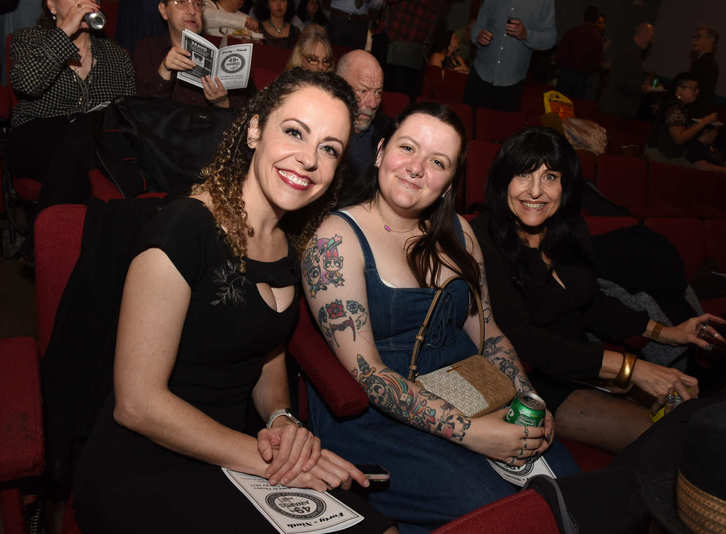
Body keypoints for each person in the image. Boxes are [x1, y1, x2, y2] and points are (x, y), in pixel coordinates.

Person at [73, 68, 397, 534]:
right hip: (147, 460)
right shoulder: (186, 227)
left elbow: (265, 355)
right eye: (295, 132)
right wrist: (272, 463)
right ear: (254, 130)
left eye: (329, 148)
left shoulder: (289, 241)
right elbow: (137, 404)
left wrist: (281, 419)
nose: (309, 159)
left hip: (239, 450)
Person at [297, 103, 586, 533]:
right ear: (380, 151)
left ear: (450, 180)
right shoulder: (334, 241)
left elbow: (489, 336)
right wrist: (473, 432)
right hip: (382, 414)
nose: (416, 168)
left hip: (467, 386)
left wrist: (529, 403)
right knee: (496, 511)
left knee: (567, 487)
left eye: (437, 162)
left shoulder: (460, 232)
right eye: (407, 148)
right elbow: (368, 373)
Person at [471, 127, 726, 453]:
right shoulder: (481, 238)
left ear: (565, 185)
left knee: (692, 413)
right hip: (526, 380)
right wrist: (630, 369)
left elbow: (590, 301)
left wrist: (668, 333)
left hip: (581, 363)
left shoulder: (567, 229)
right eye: (523, 174)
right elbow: (522, 338)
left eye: (550, 177)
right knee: (667, 441)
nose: (536, 191)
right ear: (503, 181)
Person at [8, 0, 135, 208]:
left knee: (90, 136)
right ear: (51, 5)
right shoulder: (29, 39)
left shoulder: (116, 55)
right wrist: (65, 32)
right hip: (36, 138)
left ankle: (54, 224)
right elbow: (27, 84)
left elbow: (127, 114)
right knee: (80, 134)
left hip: (94, 147)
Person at [135, 0, 251, 108]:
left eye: (198, 4)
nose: (192, 11)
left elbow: (248, 108)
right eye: (181, 2)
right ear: (163, 10)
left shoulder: (221, 53)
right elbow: (142, 109)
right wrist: (164, 71)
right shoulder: (148, 49)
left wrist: (222, 102)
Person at [463, 0, 556, 112]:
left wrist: (526, 34)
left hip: (512, 84)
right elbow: (478, 26)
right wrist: (478, 36)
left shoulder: (544, 2)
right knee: (465, 120)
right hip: (479, 75)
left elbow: (550, 39)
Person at [336, 49, 392, 179]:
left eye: (378, 93)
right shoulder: (318, 131)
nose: (373, 103)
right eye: (363, 91)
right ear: (339, 86)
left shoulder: (388, 135)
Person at [645, 72, 719, 165]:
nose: (697, 92)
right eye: (693, 89)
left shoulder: (677, 105)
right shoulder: (674, 108)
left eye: (697, 89)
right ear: (679, 89)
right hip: (661, 156)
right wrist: (704, 122)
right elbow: (679, 139)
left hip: (666, 155)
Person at [597, 21, 658, 119]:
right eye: (651, 37)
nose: (651, 41)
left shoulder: (632, 52)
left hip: (617, 106)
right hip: (616, 107)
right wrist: (642, 88)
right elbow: (621, 81)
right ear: (643, 34)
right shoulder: (630, 53)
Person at [555, 6, 604, 100]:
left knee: (560, 103)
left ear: (584, 17)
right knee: (578, 106)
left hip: (566, 75)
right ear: (596, 20)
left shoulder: (572, 32)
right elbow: (597, 62)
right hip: (583, 79)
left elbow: (560, 54)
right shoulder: (597, 38)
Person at [688, 25, 719, 117]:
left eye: (698, 37)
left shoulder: (707, 63)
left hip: (696, 112)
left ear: (710, 41)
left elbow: (700, 93)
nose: (694, 40)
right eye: (694, 37)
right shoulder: (702, 61)